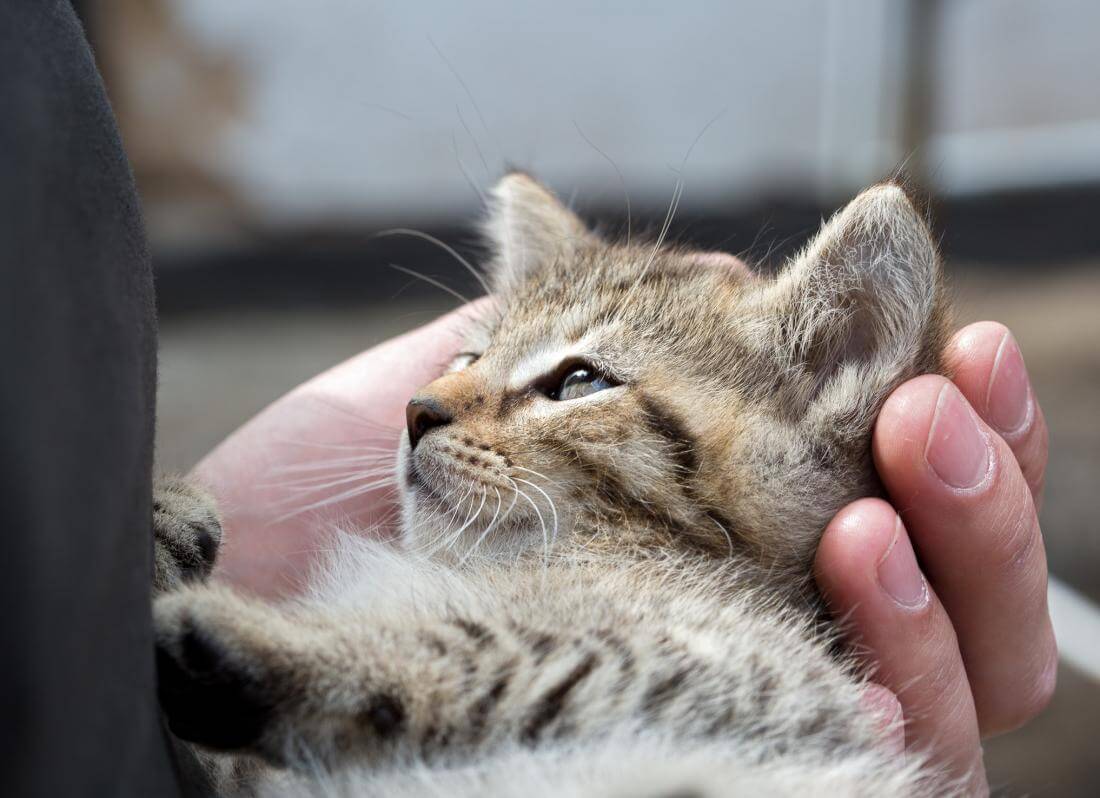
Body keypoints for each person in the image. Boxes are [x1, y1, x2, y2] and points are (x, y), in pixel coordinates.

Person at [1, 2, 1053, 796]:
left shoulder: (693, 604)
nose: (433, 406)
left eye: (573, 381)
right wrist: (99, 623)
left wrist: (119, 625)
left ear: (824, 378)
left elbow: (709, 686)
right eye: (469, 363)